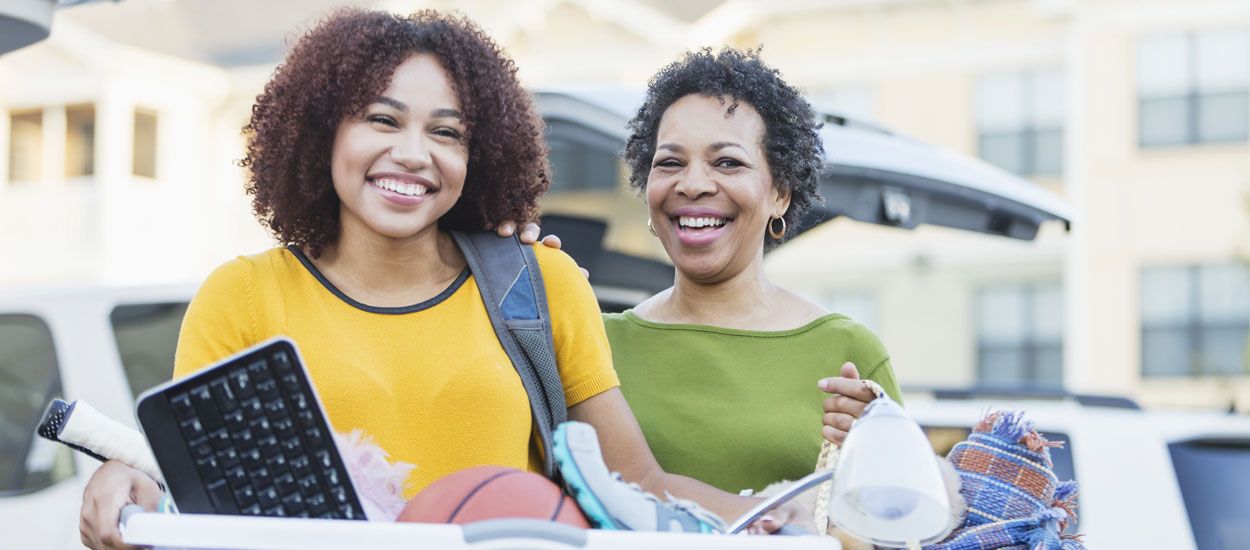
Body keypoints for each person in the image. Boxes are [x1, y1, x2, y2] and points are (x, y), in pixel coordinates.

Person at [77, 11, 795, 549]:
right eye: (381, 120)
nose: (413, 154)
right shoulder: (242, 297)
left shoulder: (540, 283)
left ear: (478, 156)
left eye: (447, 133)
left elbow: (640, 487)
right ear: (322, 132)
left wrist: (795, 516)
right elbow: (209, 504)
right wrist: (132, 485)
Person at [604, 48, 904, 498]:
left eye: (728, 162)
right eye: (669, 162)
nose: (693, 184)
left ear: (780, 194)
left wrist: (876, 449)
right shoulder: (597, 345)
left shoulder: (848, 353)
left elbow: (902, 520)